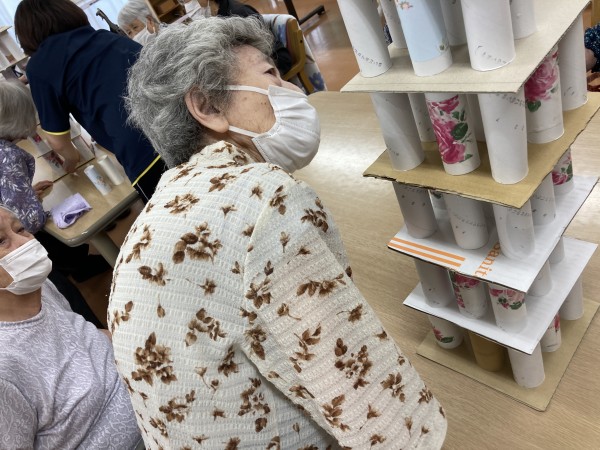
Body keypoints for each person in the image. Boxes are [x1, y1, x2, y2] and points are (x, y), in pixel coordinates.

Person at [109, 17, 447, 449]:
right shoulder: (264, 199)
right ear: (207, 107)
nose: (292, 91)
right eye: (271, 74)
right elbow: (362, 393)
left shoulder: (162, 205)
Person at [0, 205, 142, 449]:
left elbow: (79, 334)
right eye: (1, 241)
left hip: (146, 387)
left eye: (20, 229)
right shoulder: (5, 371)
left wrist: (135, 343)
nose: (24, 243)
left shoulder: (38, 286)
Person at [14, 0, 168, 202]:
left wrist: (72, 159)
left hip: (143, 153)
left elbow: (57, 141)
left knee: (179, 213)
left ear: (27, 35)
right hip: (181, 128)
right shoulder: (106, 37)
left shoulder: (40, 67)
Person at [0, 79, 106, 326]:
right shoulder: (8, 155)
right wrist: (30, 203)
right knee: (63, 304)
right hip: (15, 258)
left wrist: (24, 193)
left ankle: (78, 265)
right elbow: (29, 222)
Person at [118, 0, 292, 74]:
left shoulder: (237, 13)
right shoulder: (208, 22)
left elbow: (279, 57)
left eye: (187, 0)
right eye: (183, 1)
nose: (187, 5)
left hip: (271, 66)